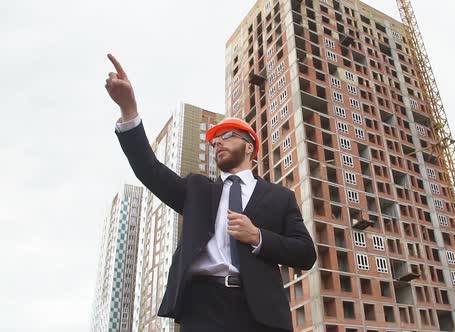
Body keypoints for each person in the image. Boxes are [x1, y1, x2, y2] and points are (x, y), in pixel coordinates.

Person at [105, 53, 316, 332]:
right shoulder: (197, 190)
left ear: (250, 146)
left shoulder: (280, 198)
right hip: (203, 310)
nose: (217, 142)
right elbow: (149, 169)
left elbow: (305, 253)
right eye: (214, 141)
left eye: (227, 136)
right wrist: (129, 110)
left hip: (262, 314)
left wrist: (258, 236)